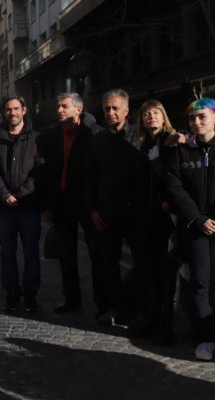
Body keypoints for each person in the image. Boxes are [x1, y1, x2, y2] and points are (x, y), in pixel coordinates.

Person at [83, 88, 140, 325]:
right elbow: (87, 179)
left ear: (126, 110)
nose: (111, 112)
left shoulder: (138, 137)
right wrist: (93, 210)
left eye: (116, 108)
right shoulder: (96, 141)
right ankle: (111, 307)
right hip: (105, 212)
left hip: (136, 212)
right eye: (107, 108)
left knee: (142, 263)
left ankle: (139, 308)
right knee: (107, 263)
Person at [125, 100, 178, 343]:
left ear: (163, 116)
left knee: (166, 276)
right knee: (148, 273)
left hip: (165, 220)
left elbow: (176, 178)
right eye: (146, 114)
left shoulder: (172, 141)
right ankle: (150, 318)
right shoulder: (143, 145)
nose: (150, 117)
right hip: (143, 220)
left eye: (155, 113)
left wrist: (168, 202)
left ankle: (166, 326)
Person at [42, 92, 101, 313]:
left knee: (96, 254)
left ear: (78, 109)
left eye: (64, 106)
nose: (59, 110)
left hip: (87, 202)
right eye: (58, 106)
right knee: (67, 256)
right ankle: (72, 300)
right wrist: (48, 204)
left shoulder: (92, 133)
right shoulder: (52, 135)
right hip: (63, 200)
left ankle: (101, 303)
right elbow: (48, 171)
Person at [0, 95, 45, 313]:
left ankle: (30, 294)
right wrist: (4, 195)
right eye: (8, 109)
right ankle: (12, 293)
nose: (12, 113)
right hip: (4, 209)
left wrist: (20, 195)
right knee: (7, 253)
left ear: (24, 110)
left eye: (16, 108)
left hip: (28, 207)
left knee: (31, 252)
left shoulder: (37, 138)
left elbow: (39, 171)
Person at [167, 97, 215, 360]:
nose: (196, 122)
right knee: (200, 284)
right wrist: (198, 219)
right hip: (197, 227)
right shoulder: (182, 149)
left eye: (202, 116)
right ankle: (205, 338)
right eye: (192, 118)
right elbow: (176, 188)